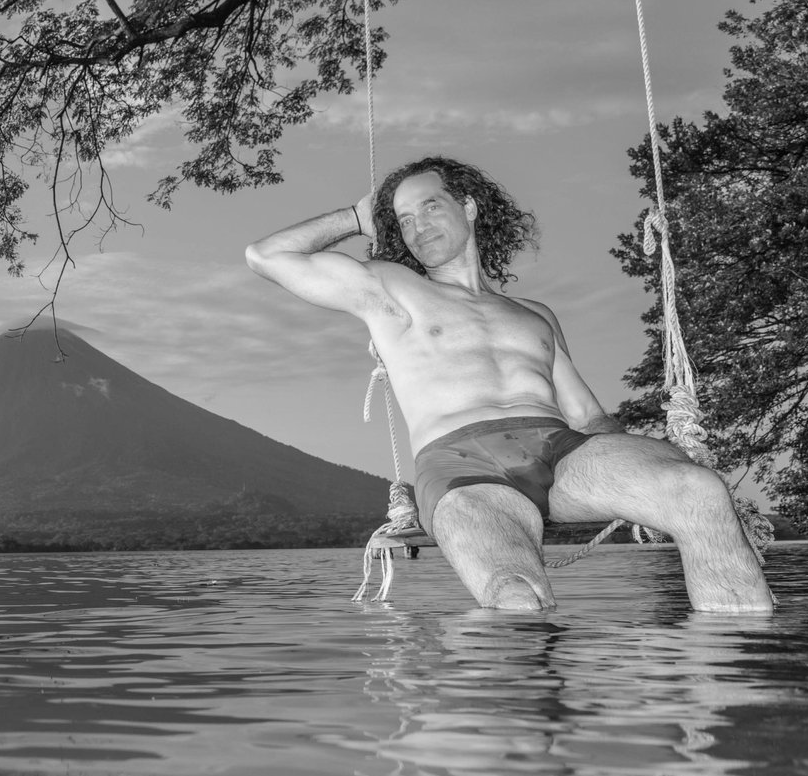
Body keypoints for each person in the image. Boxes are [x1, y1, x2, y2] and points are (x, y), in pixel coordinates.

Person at [244, 155, 772, 611]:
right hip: (459, 466)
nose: (418, 225)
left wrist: (644, 463)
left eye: (430, 206)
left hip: (559, 449)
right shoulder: (390, 288)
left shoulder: (533, 314)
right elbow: (266, 257)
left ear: (469, 206)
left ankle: (735, 685)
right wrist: (358, 216)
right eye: (403, 219)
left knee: (698, 491)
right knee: (515, 593)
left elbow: (587, 416)